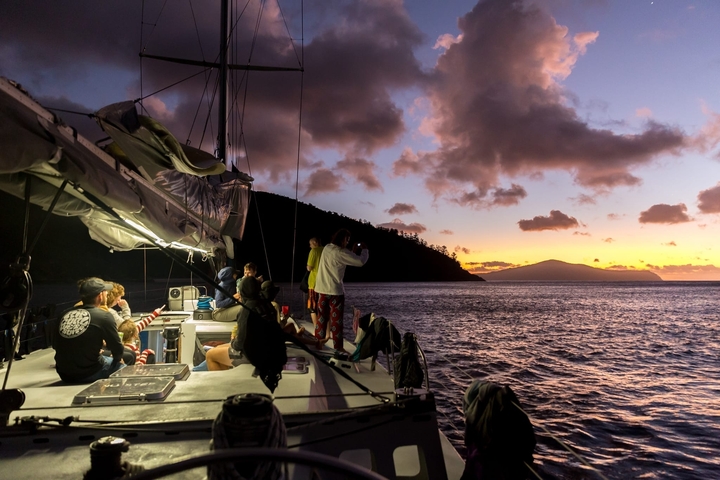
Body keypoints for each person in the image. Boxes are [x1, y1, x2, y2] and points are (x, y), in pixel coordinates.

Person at [54, 277, 125, 383]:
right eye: (105, 292)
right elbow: (117, 348)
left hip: (64, 373)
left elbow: (55, 344)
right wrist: (119, 361)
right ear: (100, 296)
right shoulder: (104, 316)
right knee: (124, 368)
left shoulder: (64, 314)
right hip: (88, 373)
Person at [314, 228, 369, 351]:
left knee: (321, 320)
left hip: (322, 290)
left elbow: (343, 257)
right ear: (343, 239)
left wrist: (352, 251)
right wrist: (364, 250)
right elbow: (360, 261)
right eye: (347, 240)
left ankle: (317, 344)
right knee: (336, 322)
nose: (348, 242)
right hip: (335, 292)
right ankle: (338, 348)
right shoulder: (341, 252)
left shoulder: (327, 248)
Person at [306, 237, 324, 328]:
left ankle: (317, 329)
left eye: (310, 244)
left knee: (312, 308)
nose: (310, 246)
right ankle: (324, 328)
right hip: (324, 283)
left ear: (315, 242)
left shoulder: (314, 251)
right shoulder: (325, 250)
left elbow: (309, 267)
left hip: (314, 283)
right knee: (322, 307)